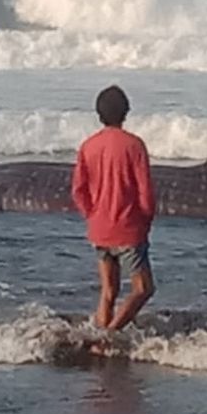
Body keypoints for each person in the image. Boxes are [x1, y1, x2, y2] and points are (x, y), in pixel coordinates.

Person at [72, 85, 156, 333]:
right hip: (128, 228)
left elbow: (78, 190)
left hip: (99, 229)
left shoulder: (88, 146)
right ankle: (108, 336)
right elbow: (145, 193)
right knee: (143, 289)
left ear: (99, 114)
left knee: (109, 291)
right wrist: (145, 222)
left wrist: (92, 215)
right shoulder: (134, 145)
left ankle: (99, 338)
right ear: (126, 112)